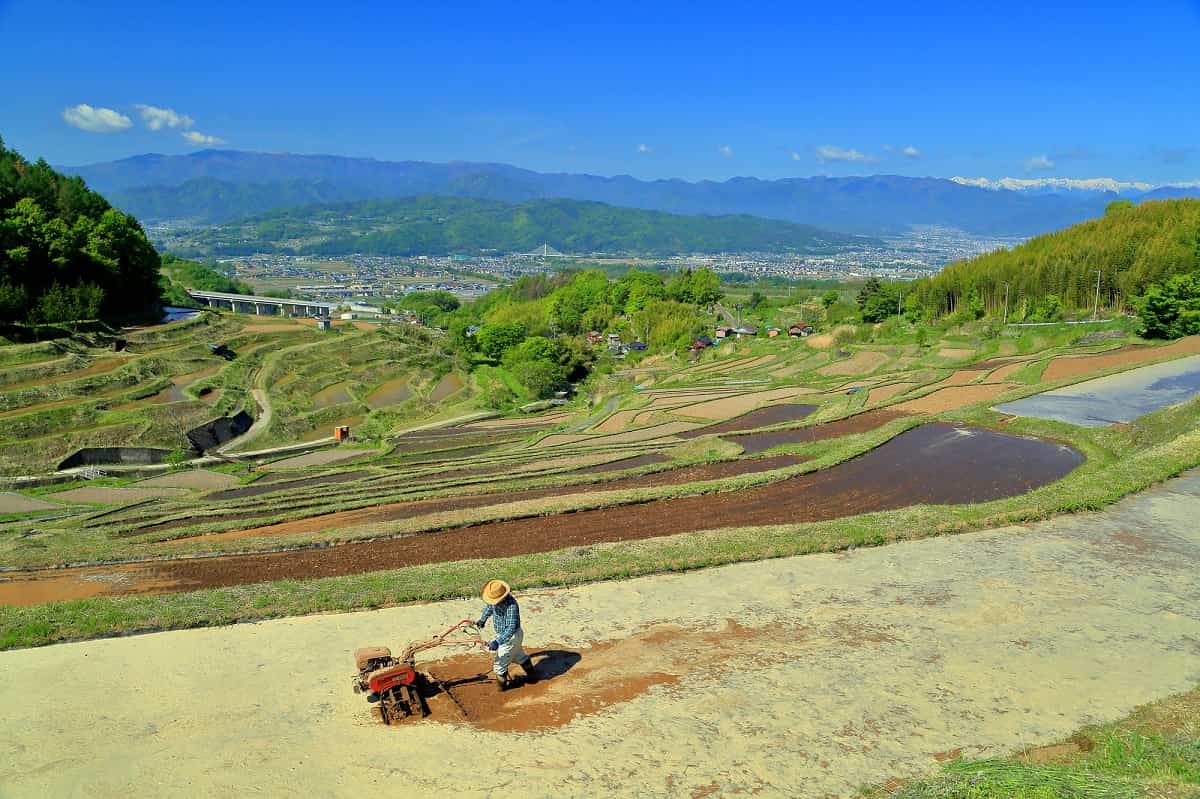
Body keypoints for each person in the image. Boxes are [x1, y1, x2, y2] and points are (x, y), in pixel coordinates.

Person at [476, 579, 537, 692]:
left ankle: (502, 688)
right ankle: (533, 677)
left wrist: (497, 642)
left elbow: (511, 628)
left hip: (511, 637)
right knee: (519, 656)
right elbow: (489, 607)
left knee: (499, 666)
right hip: (508, 636)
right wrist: (482, 619)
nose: (493, 603)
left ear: (502, 597)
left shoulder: (511, 606)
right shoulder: (495, 601)